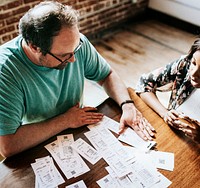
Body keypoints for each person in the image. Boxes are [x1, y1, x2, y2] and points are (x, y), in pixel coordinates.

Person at [0, 1, 155, 157]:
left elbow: (107, 75)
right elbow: (8, 145)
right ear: (34, 47)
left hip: (76, 126)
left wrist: (127, 105)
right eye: (64, 55)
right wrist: (65, 120)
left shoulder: (74, 44)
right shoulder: (5, 72)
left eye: (75, 50)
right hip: (36, 144)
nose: (73, 59)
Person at [136, 38, 200, 143]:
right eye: (194, 63)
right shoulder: (185, 64)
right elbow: (144, 83)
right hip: (173, 135)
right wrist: (165, 113)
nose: (193, 74)